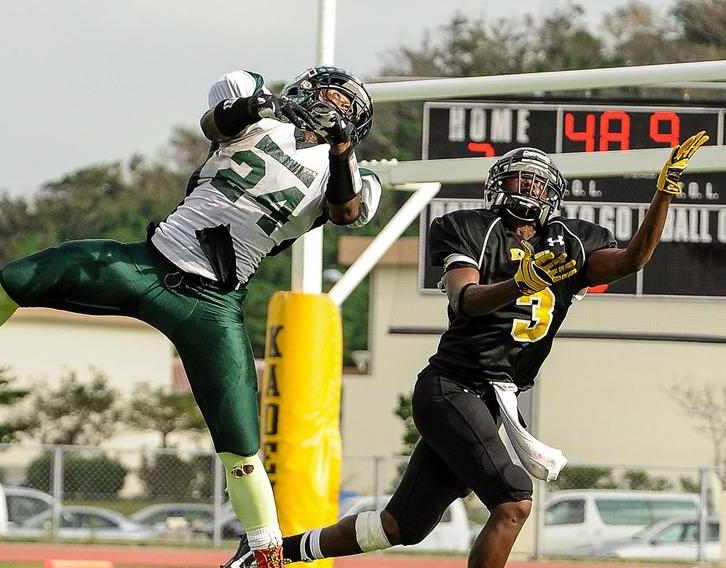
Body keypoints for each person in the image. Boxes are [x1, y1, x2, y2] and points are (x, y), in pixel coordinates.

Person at [0, 66, 380, 568]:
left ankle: (264, 553)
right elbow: (214, 122)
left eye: (342, 107)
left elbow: (345, 212)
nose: (329, 109)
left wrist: (338, 151)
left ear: (353, 126)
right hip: (149, 263)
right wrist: (255, 104)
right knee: (18, 277)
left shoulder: (352, 173)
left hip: (213, 304)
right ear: (305, 89)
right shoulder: (260, 119)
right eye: (327, 96)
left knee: (241, 443)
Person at [221, 131, 709, 568]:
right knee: (515, 500)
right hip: (451, 387)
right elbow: (466, 299)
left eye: (535, 183)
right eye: (516, 180)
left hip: (492, 399)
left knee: (402, 526)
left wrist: (662, 195)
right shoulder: (469, 227)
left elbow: (631, 259)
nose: (525, 188)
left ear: (552, 195)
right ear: (498, 187)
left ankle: (270, 555)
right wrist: (521, 281)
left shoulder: (572, 240)